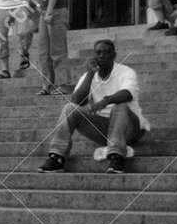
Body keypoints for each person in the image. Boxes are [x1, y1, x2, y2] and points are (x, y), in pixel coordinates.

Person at [38, 39, 148, 175]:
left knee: (121, 106)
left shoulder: (126, 72)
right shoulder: (88, 75)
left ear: (114, 55)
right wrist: (90, 74)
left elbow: (127, 94)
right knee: (69, 108)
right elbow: (76, 100)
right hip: (104, 130)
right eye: (98, 53)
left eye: (106, 52)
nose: (102, 56)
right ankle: (57, 157)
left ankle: (117, 156)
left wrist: (105, 101)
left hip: (130, 129)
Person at [31, 0, 71, 96]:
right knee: (44, 51)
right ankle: (47, 84)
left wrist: (48, 12)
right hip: (46, 12)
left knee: (57, 50)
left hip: (56, 12)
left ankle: (63, 83)